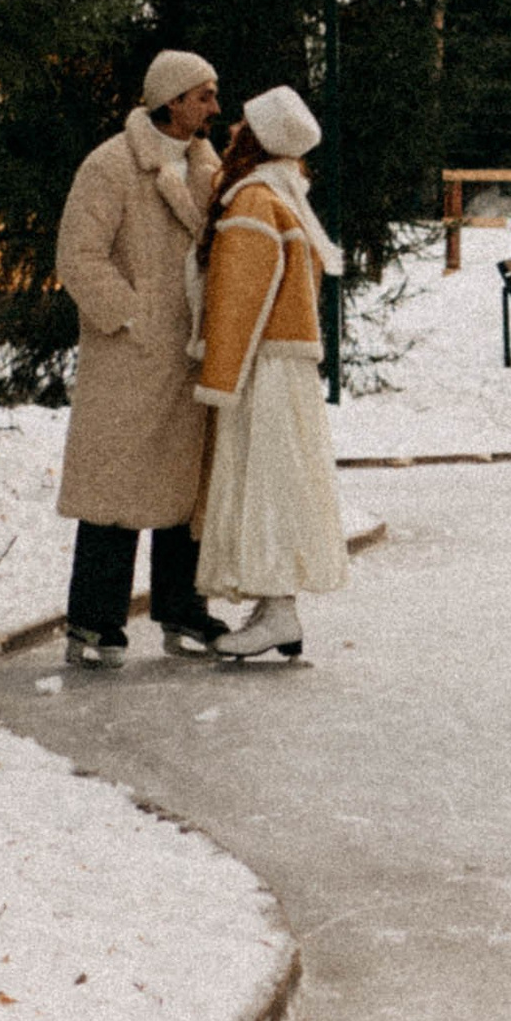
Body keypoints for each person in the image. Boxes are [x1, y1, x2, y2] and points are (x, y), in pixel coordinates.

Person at [54, 49, 240, 670]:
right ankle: (94, 618)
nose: (215, 106)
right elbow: (79, 256)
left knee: (185, 488)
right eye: (204, 95)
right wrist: (133, 316)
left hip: (189, 355)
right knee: (117, 484)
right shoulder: (111, 166)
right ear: (171, 100)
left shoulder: (205, 166)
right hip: (130, 359)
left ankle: (183, 607)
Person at [193, 82, 351, 659]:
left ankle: (278, 609)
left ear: (257, 139)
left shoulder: (254, 200)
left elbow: (240, 295)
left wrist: (217, 374)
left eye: (243, 124)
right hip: (285, 365)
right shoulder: (285, 194)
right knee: (281, 479)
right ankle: (275, 606)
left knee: (263, 484)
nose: (233, 130)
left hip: (262, 368)